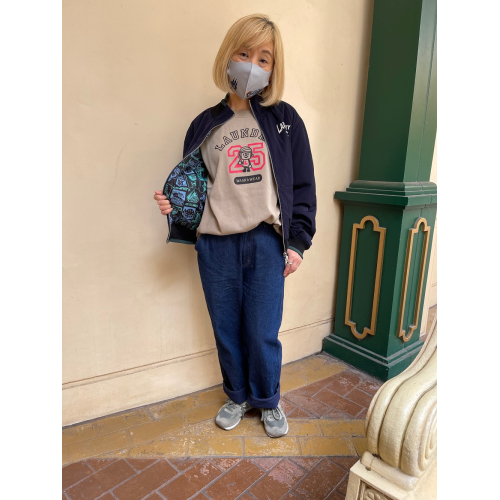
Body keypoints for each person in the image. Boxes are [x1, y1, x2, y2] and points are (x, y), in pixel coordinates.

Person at [153, 13, 316, 438]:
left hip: (266, 243)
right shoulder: (203, 124)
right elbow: (194, 187)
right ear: (227, 56)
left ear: (273, 69)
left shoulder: (285, 121)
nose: (252, 65)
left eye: (264, 58)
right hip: (216, 245)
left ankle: (268, 400)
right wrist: (174, 205)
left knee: (263, 331)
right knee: (226, 328)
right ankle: (237, 394)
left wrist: (298, 242)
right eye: (244, 54)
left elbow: (303, 184)